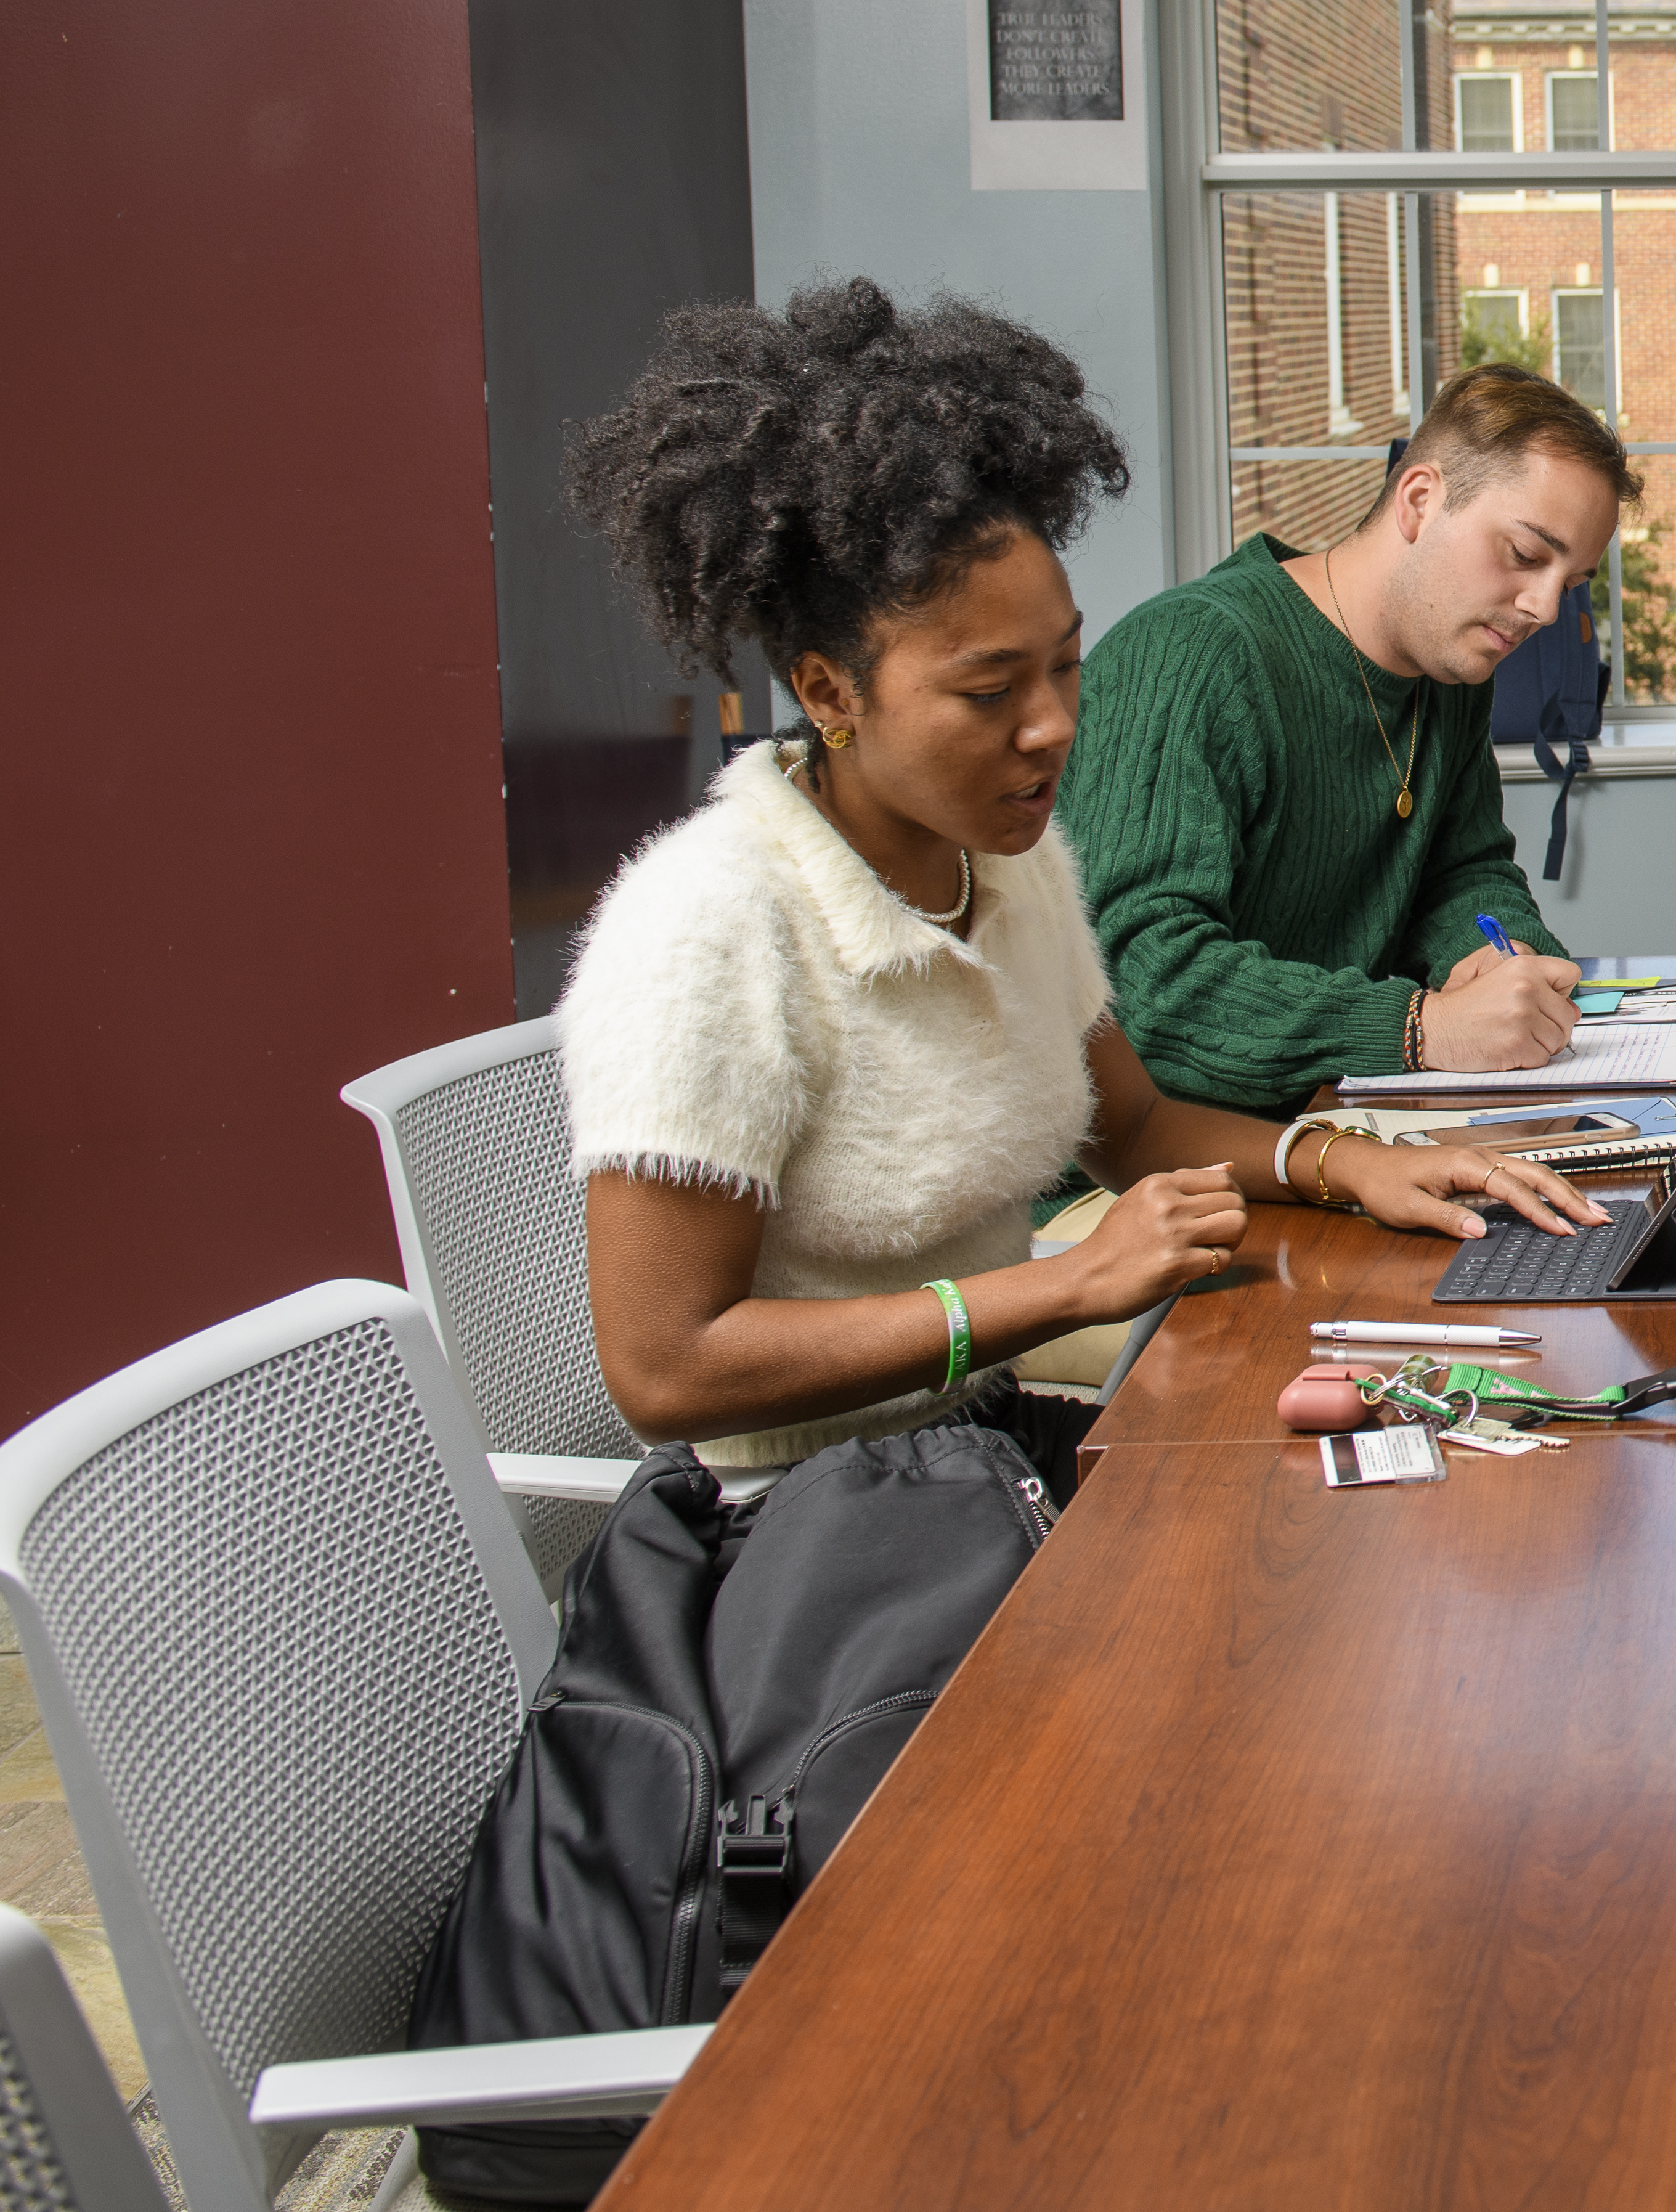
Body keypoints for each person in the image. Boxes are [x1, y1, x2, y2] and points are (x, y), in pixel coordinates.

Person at [558, 282, 1601, 1473]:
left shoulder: (1010, 865)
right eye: (992, 691)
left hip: (976, 1451)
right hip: (812, 1531)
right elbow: (664, 1370)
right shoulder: (706, 924)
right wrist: (1058, 1288)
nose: (1055, 727)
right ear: (832, 693)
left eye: (1065, 666)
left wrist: (1361, 1165)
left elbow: (1136, 1122)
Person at [1059, 362, 1637, 1114]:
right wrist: (1418, 1030)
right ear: (1420, 500)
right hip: (1148, 1177)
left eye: (1571, 580)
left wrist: (1501, 960)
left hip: (1338, 1126)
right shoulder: (1191, 654)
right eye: (1527, 555)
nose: (1541, 607)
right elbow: (1142, 982)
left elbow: (1463, 872)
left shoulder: (1452, 670)